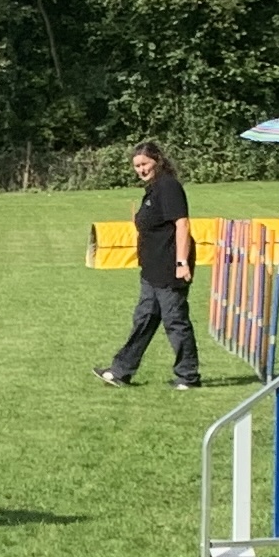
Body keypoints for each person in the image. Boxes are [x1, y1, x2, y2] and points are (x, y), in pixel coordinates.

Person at [96, 140, 199, 390]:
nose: (141, 170)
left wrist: (182, 262)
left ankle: (188, 376)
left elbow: (182, 224)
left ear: (158, 161)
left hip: (169, 267)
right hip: (151, 269)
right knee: (143, 319)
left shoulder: (169, 186)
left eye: (145, 164)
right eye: (137, 166)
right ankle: (120, 371)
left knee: (175, 321)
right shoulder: (152, 189)